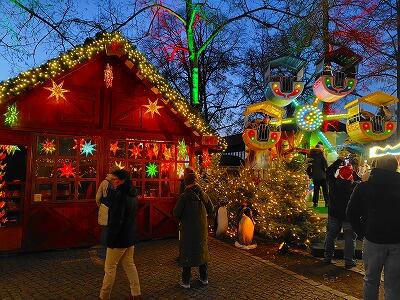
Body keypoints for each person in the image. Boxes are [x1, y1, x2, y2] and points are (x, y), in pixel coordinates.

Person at [347, 155, 400, 300]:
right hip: (397, 241)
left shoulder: (364, 186)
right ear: (395, 167)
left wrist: (362, 232)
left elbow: (351, 212)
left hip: (373, 239)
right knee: (394, 284)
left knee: (371, 280)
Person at [99, 169, 142, 300]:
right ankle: (136, 293)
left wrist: (110, 240)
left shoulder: (120, 196)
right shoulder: (132, 194)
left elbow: (116, 220)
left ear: (122, 180)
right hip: (129, 236)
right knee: (129, 265)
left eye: (115, 179)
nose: (113, 182)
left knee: (109, 268)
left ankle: (104, 296)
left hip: (119, 238)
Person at [173, 172, 214, 289]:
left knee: (187, 252)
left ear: (185, 183)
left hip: (188, 229)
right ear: (196, 181)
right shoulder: (203, 194)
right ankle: (204, 277)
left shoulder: (184, 197)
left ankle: (186, 281)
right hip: (201, 228)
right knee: (202, 251)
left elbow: (176, 213)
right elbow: (211, 208)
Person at [324, 160, 357, 269]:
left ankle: (327, 257)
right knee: (349, 238)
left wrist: (338, 161)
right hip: (348, 216)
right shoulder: (354, 186)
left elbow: (328, 172)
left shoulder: (333, 183)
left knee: (331, 235)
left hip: (334, 214)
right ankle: (348, 261)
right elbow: (361, 180)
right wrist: (353, 171)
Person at [96, 170, 116, 252]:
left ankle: (104, 245)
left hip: (104, 206)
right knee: (113, 227)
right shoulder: (117, 182)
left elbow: (98, 197)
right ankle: (112, 244)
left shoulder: (104, 182)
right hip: (114, 208)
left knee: (105, 228)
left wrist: (100, 205)